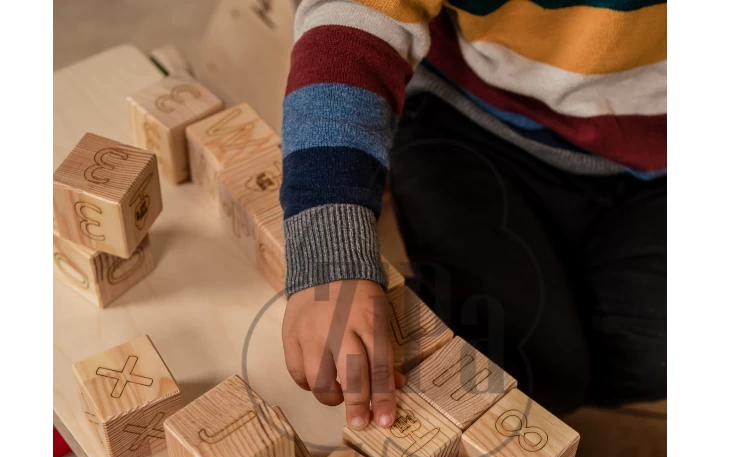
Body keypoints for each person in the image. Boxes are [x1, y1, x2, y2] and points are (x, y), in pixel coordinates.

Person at [280, 0, 666, 428]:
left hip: (660, 164)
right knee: (535, 363)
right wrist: (329, 255)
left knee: (651, 357)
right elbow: (352, 19)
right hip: (472, 120)